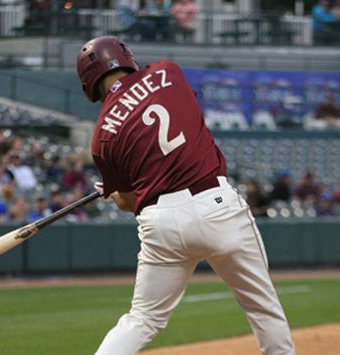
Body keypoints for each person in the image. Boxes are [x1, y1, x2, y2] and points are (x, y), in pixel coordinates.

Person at [76, 36, 294, 355]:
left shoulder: (101, 138)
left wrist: (111, 194)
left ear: (88, 81)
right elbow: (175, 121)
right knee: (262, 306)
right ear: (126, 58)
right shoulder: (168, 72)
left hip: (160, 221)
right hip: (215, 204)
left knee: (142, 320)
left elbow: (129, 202)